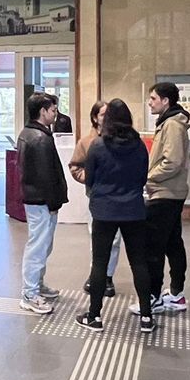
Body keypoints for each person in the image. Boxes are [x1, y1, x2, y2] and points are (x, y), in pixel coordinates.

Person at [76, 99, 156, 334]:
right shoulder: (140, 145)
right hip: (133, 210)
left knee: (100, 263)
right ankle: (146, 317)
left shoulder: (98, 146)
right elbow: (143, 177)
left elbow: (89, 178)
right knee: (139, 262)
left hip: (104, 210)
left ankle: (94, 316)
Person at [142, 81, 190, 314]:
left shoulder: (172, 124)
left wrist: (148, 177)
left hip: (165, 192)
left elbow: (172, 161)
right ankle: (176, 294)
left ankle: (154, 296)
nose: (149, 102)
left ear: (165, 101)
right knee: (173, 243)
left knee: (154, 246)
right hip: (170, 191)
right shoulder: (170, 122)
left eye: (153, 98)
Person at [16, 92, 67, 315]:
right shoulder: (39, 138)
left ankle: (37, 283)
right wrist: (54, 201)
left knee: (43, 245)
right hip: (41, 200)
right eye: (52, 110)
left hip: (38, 199)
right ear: (42, 111)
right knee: (38, 246)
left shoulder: (32, 134)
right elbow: (46, 175)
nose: (55, 114)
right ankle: (30, 293)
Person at [71, 101, 120, 297]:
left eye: (109, 114)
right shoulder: (86, 142)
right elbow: (75, 166)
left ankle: (108, 277)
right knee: (97, 238)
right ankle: (96, 275)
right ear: (94, 118)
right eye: (102, 114)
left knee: (115, 239)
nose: (106, 118)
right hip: (95, 197)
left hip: (118, 197)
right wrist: (90, 180)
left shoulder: (120, 140)